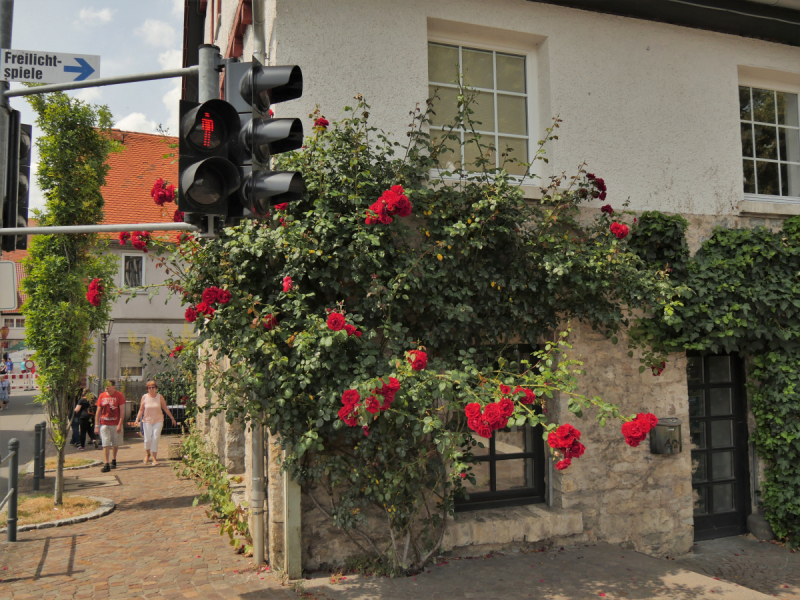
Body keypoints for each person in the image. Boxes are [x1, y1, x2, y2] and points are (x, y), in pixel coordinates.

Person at [134, 380, 176, 466]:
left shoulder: (159, 397)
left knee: (155, 438)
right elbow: (141, 409)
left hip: (158, 420)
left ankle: (154, 458)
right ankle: (147, 454)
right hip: (147, 421)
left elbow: (165, 408)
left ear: (156, 388)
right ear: (147, 389)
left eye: (153, 387)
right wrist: (137, 419)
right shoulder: (144, 397)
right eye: (149, 387)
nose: (151, 389)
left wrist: (172, 418)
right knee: (147, 439)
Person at [94, 380, 126, 473]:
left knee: (115, 443)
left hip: (115, 423)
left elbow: (122, 411)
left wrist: (120, 424)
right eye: (105, 385)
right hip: (104, 423)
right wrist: (96, 425)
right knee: (105, 443)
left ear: (113, 386)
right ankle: (106, 464)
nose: (107, 387)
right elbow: (98, 411)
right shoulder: (102, 396)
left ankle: (114, 459)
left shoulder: (119, 395)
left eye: (109, 385)